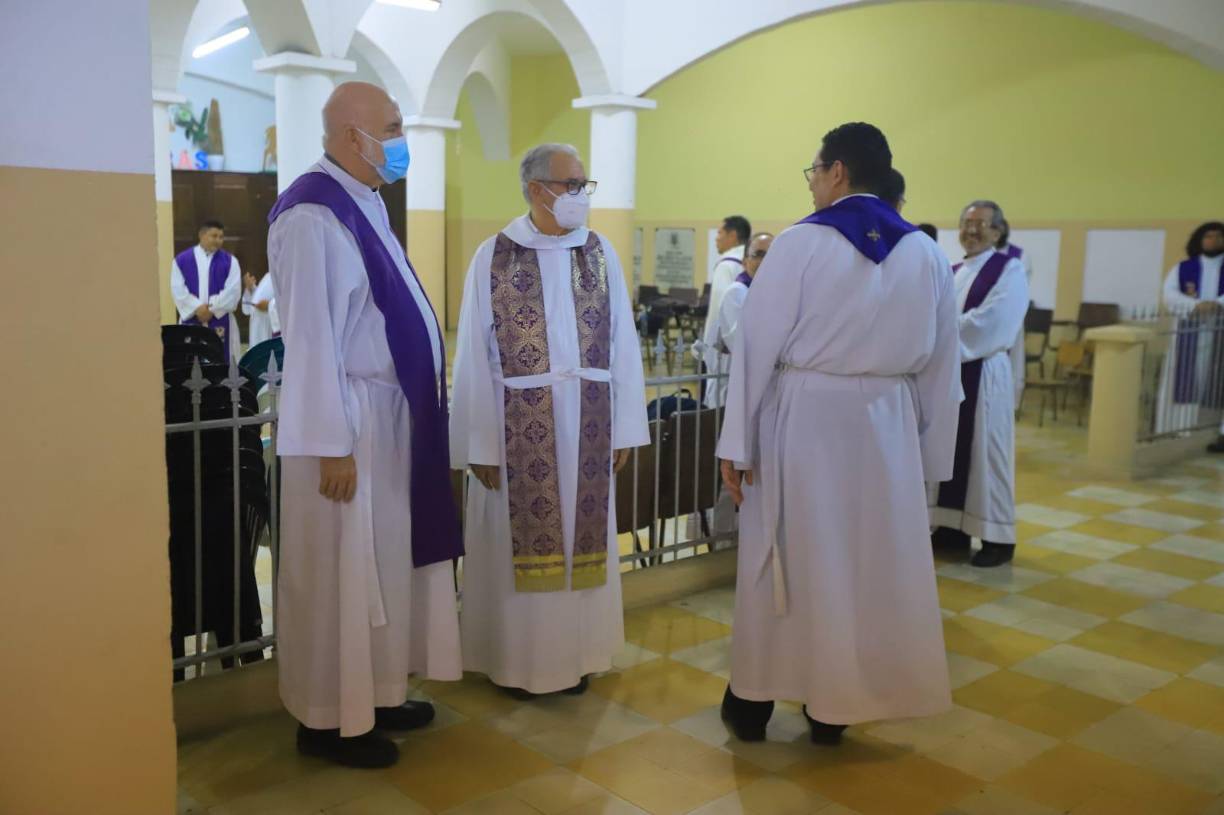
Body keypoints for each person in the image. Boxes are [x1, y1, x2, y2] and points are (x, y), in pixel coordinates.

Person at [717, 123, 960, 744]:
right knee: (867, 564)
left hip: (805, 419)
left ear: (839, 172)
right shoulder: (928, 253)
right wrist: (928, 462)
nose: (814, 184)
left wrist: (735, 445)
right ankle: (836, 707)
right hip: (888, 426)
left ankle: (754, 703)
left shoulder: (801, 243)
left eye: (814, 171)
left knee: (790, 559)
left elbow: (755, 348)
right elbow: (942, 368)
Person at [267, 81, 462, 769]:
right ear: (354, 136)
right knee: (344, 574)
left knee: (384, 564)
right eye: (393, 126)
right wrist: (331, 444)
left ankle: (378, 692)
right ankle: (327, 718)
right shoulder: (312, 215)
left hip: (389, 417)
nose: (401, 138)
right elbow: (312, 339)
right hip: (347, 423)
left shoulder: (363, 202)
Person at [450, 143, 649, 697]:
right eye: (572, 185)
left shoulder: (600, 253)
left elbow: (623, 345)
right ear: (538, 190)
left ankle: (578, 656)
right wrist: (480, 443)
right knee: (519, 548)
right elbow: (472, 353)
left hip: (588, 424)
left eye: (585, 185)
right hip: (516, 427)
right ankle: (517, 664)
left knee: (580, 550)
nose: (582, 196)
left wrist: (626, 427)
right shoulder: (495, 254)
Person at [929, 201, 1028, 568]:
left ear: (998, 231)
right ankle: (952, 528)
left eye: (980, 224)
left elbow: (996, 319)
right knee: (950, 451)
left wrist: (939, 336)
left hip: (984, 373)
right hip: (951, 374)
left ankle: (998, 538)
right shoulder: (952, 270)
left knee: (987, 455)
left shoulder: (1010, 268)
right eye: (966, 223)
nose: (971, 231)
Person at [1156, 221, 1224, 449]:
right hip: (1188, 332)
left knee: (1216, 381)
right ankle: (1178, 429)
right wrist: (1194, 305)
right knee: (1183, 377)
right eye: (1208, 236)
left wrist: (1217, 304)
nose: (1213, 241)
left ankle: (1214, 432)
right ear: (1199, 240)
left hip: (1219, 332)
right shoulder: (1183, 268)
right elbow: (1169, 295)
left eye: (1218, 236)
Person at [698, 215, 751, 407]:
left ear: (733, 235)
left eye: (720, 232)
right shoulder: (749, 262)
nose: (716, 238)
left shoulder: (726, 265)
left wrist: (708, 350)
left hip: (723, 353)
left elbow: (717, 313)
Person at [171, 219, 242, 362]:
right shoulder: (181, 260)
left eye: (221, 237)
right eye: (214, 236)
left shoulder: (230, 261)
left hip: (220, 320)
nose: (218, 240)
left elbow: (233, 291)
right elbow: (178, 289)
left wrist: (212, 309)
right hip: (192, 319)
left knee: (221, 364)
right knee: (190, 364)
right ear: (202, 235)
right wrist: (197, 308)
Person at [996, 219, 1034, 411]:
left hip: (1010, 320)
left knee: (1012, 364)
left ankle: (1009, 405)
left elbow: (1020, 289)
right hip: (987, 321)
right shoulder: (980, 255)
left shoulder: (1019, 256)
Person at [716, 232, 773, 356]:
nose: (765, 261)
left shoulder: (778, 292)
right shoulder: (737, 292)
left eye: (773, 254)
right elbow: (741, 342)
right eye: (758, 254)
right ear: (745, 262)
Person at [241, 269, 279, 348]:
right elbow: (249, 308)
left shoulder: (287, 275)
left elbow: (288, 302)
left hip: (270, 333)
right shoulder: (269, 275)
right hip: (257, 334)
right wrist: (251, 289)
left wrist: (269, 305)